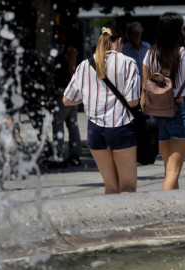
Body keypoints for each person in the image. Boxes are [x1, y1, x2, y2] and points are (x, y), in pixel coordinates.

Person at [62, 27, 140, 194]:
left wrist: (90, 95)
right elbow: (133, 102)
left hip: (95, 130)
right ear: (119, 41)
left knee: (110, 187)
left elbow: (67, 100)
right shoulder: (128, 62)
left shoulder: (85, 64)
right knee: (127, 187)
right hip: (121, 126)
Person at [141, 12, 185, 191]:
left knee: (169, 168)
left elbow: (144, 88)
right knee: (173, 170)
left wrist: (145, 113)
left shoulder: (149, 54)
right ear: (177, 30)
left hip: (157, 112)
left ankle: (174, 207)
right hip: (180, 109)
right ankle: (163, 208)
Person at [50, 26, 82, 167]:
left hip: (66, 91)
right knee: (72, 123)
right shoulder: (65, 49)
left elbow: (70, 70)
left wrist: (55, 69)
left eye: (58, 33)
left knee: (58, 122)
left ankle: (58, 155)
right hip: (72, 91)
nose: (56, 36)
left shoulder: (70, 50)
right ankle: (74, 154)